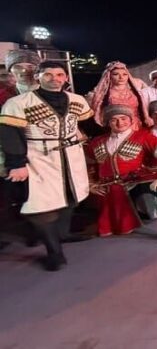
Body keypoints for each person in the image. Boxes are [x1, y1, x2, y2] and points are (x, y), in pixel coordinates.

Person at [0, 61, 93, 271]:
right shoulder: (19, 102)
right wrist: (17, 164)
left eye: (59, 74)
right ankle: (54, 252)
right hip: (38, 158)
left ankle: (63, 235)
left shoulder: (77, 100)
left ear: (66, 78)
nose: (55, 79)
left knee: (71, 197)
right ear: (38, 77)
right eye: (48, 75)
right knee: (40, 205)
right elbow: (10, 134)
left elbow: (87, 123)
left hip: (72, 155)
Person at [87, 105, 157, 243]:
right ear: (108, 122)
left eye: (124, 118)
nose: (120, 123)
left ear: (131, 121)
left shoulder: (142, 136)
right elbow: (84, 163)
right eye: (114, 120)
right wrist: (89, 184)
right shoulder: (97, 141)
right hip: (107, 186)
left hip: (135, 181)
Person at [90, 61, 150, 130]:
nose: (121, 77)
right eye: (116, 74)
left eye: (125, 74)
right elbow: (98, 113)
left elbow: (144, 108)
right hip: (116, 127)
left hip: (136, 126)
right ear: (109, 76)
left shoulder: (135, 92)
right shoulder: (103, 95)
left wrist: (146, 118)